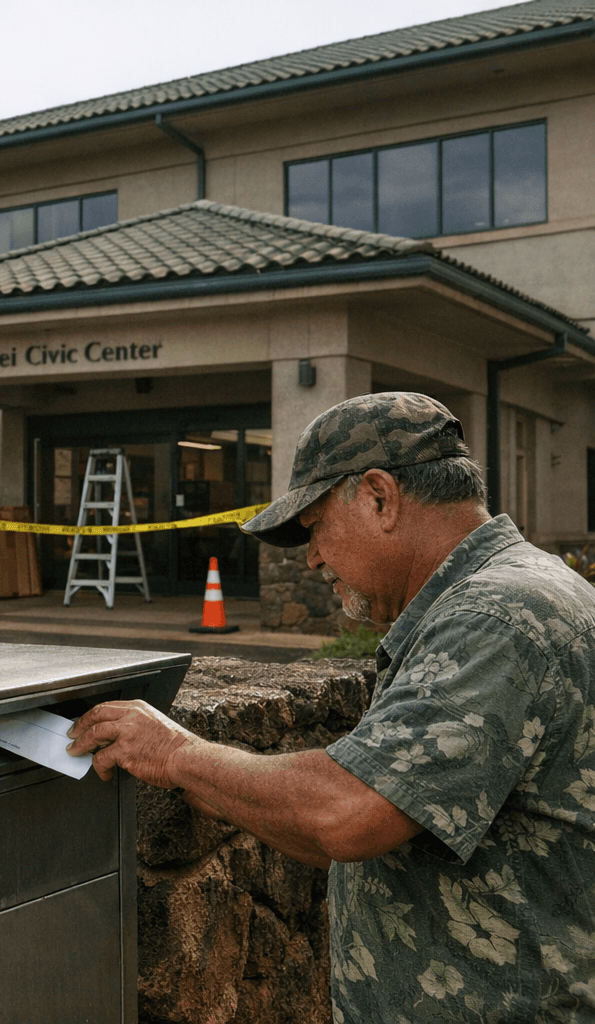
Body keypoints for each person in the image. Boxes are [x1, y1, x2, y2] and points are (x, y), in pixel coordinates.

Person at [68, 392, 595, 1022]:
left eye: (315, 526)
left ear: (379, 496)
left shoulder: (495, 616)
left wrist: (176, 751)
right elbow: (351, 818)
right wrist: (186, 775)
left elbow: (350, 813)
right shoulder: (507, 592)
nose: (312, 557)